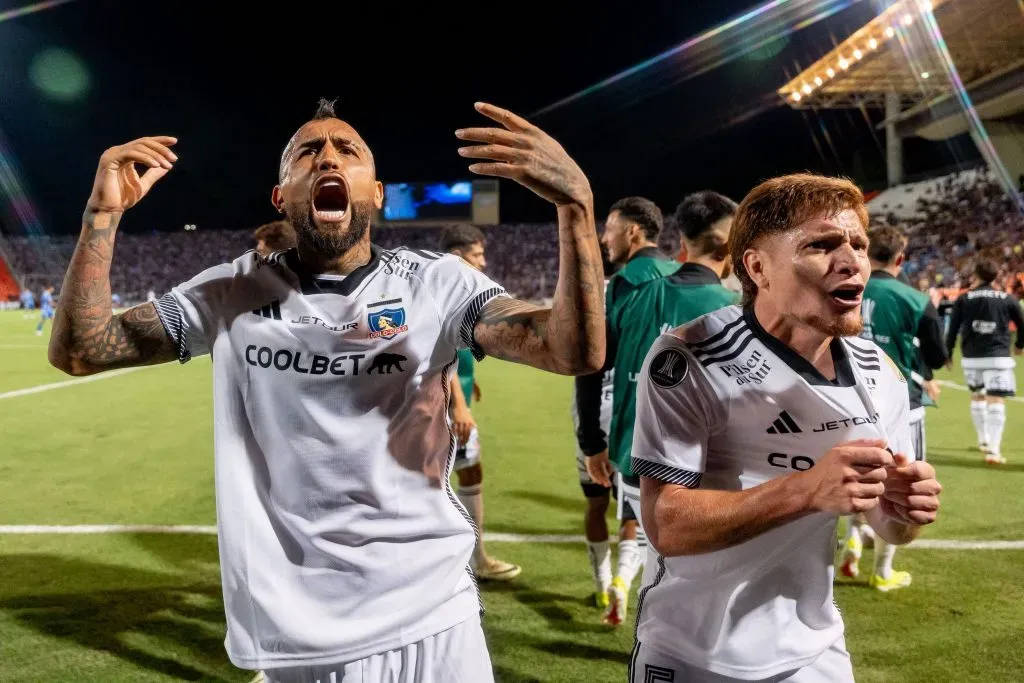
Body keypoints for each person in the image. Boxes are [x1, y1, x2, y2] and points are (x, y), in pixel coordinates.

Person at [48, 99, 604, 683]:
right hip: (300, 638)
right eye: (306, 153)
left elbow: (570, 350)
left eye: (348, 150)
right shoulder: (230, 291)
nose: (327, 157)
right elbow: (82, 350)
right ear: (281, 196)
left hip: (434, 615)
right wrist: (100, 215)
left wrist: (575, 207)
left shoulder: (437, 283)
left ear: (378, 192)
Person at [629, 174, 942, 682]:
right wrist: (806, 489)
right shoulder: (691, 358)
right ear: (757, 266)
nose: (852, 261)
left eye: (858, 245)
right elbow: (666, 524)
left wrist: (902, 510)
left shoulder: (877, 369)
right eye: (822, 244)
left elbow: (889, 524)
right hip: (694, 653)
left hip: (816, 650)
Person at [578, 192, 739, 626]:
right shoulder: (735, 310)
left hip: (635, 450)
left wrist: (591, 441)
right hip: (706, 462)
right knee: (696, 575)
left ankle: (642, 630)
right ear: (728, 244)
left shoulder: (632, 292)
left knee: (653, 553)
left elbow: (590, 367)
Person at [839, 225, 947, 590]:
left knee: (859, 475)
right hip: (899, 400)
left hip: (844, 398)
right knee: (900, 484)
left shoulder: (843, 287)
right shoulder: (914, 299)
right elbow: (937, 354)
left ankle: (854, 537)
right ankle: (883, 571)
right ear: (900, 258)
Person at [440, 223, 521, 581]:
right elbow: (439, 352)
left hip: (452, 398)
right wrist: (458, 403)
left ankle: (472, 557)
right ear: (458, 255)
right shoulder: (446, 288)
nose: (483, 261)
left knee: (465, 472)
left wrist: (469, 386)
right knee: (457, 475)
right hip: (444, 407)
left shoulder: (449, 284)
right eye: (477, 255)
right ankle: (476, 560)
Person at [571, 249, 618, 610]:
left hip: (589, 413)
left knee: (595, 503)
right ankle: (624, 582)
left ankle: (602, 583)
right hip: (629, 410)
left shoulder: (584, 300)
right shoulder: (640, 294)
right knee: (633, 509)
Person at [945, 257, 1024, 464]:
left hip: (971, 357)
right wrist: (1019, 345)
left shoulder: (965, 298)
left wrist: (948, 352)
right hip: (997, 357)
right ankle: (994, 451)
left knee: (977, 397)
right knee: (996, 400)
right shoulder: (1007, 298)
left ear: (976, 275)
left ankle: (983, 440)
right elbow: (1022, 324)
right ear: (997, 276)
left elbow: (953, 328)